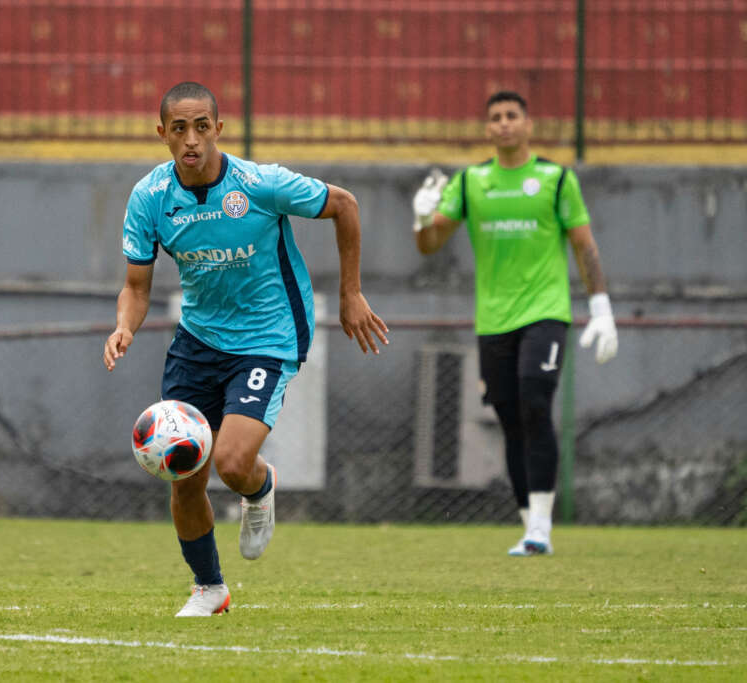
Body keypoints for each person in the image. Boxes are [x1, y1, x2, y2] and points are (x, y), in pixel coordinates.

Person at [103, 82, 389, 616]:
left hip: (268, 337)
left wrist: (351, 294)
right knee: (184, 471)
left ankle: (259, 489)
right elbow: (137, 287)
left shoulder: (261, 183)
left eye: (202, 127)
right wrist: (125, 326)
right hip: (198, 340)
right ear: (161, 133)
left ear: (219, 127)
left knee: (233, 462)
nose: (192, 140)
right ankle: (209, 587)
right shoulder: (150, 198)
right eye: (180, 129)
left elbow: (345, 205)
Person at [412, 90, 617, 557]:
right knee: (509, 414)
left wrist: (601, 308)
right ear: (487, 129)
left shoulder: (555, 179)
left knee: (534, 396)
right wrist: (422, 215)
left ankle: (542, 524)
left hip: (545, 311)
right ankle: (530, 527)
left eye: (511, 116)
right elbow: (429, 244)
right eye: (495, 118)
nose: (503, 124)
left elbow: (585, 246)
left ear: (528, 124)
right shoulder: (471, 182)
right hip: (494, 319)